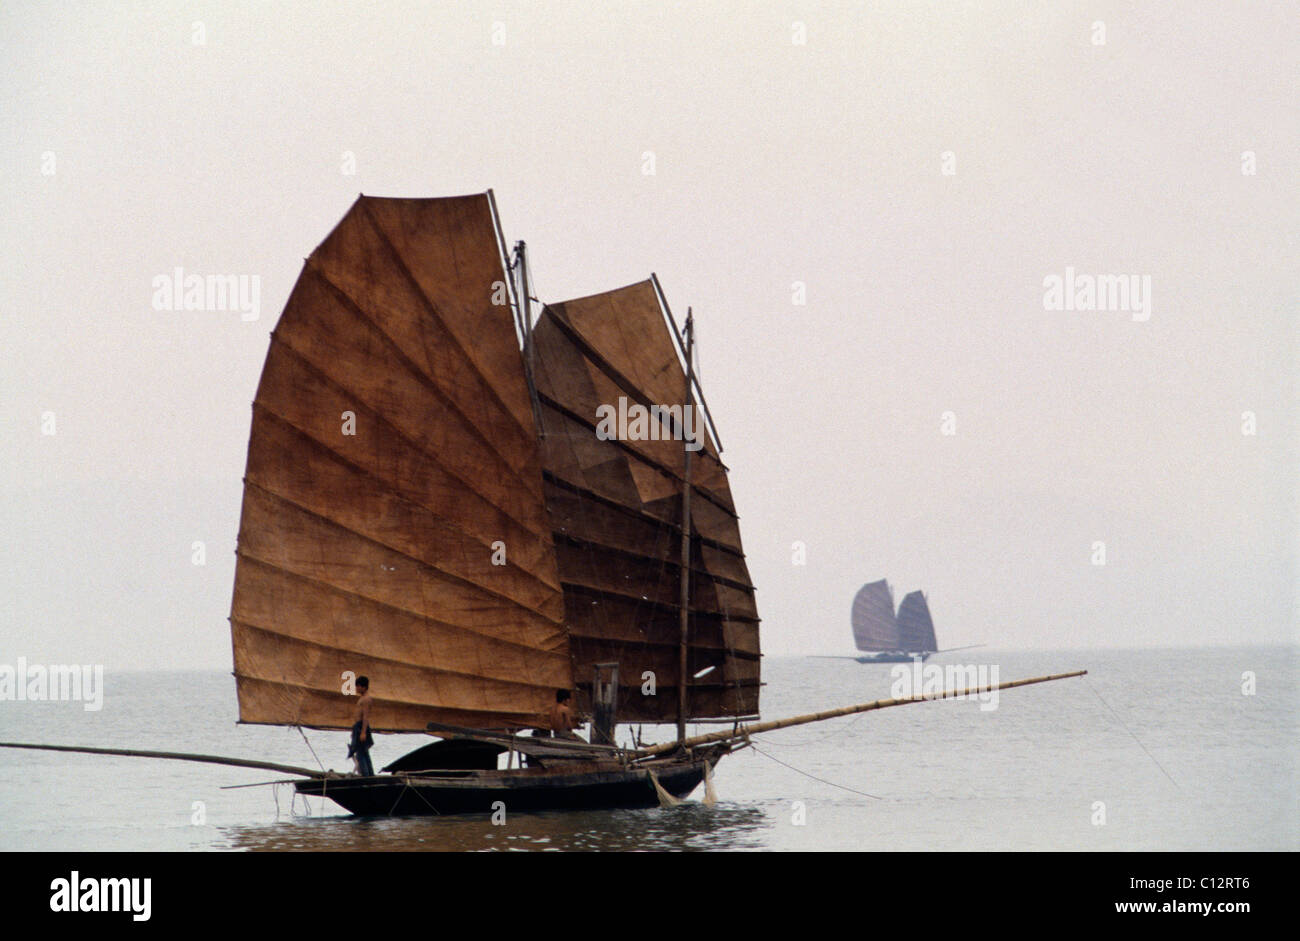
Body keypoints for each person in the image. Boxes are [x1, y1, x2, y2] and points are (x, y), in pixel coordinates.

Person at [347, 675, 375, 776]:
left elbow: (366, 717)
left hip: (361, 727)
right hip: (358, 727)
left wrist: (363, 732)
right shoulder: (362, 698)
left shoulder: (366, 699)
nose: (356, 688)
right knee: (364, 752)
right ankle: (370, 775)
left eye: (358, 686)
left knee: (360, 753)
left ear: (363, 687)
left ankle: (366, 775)